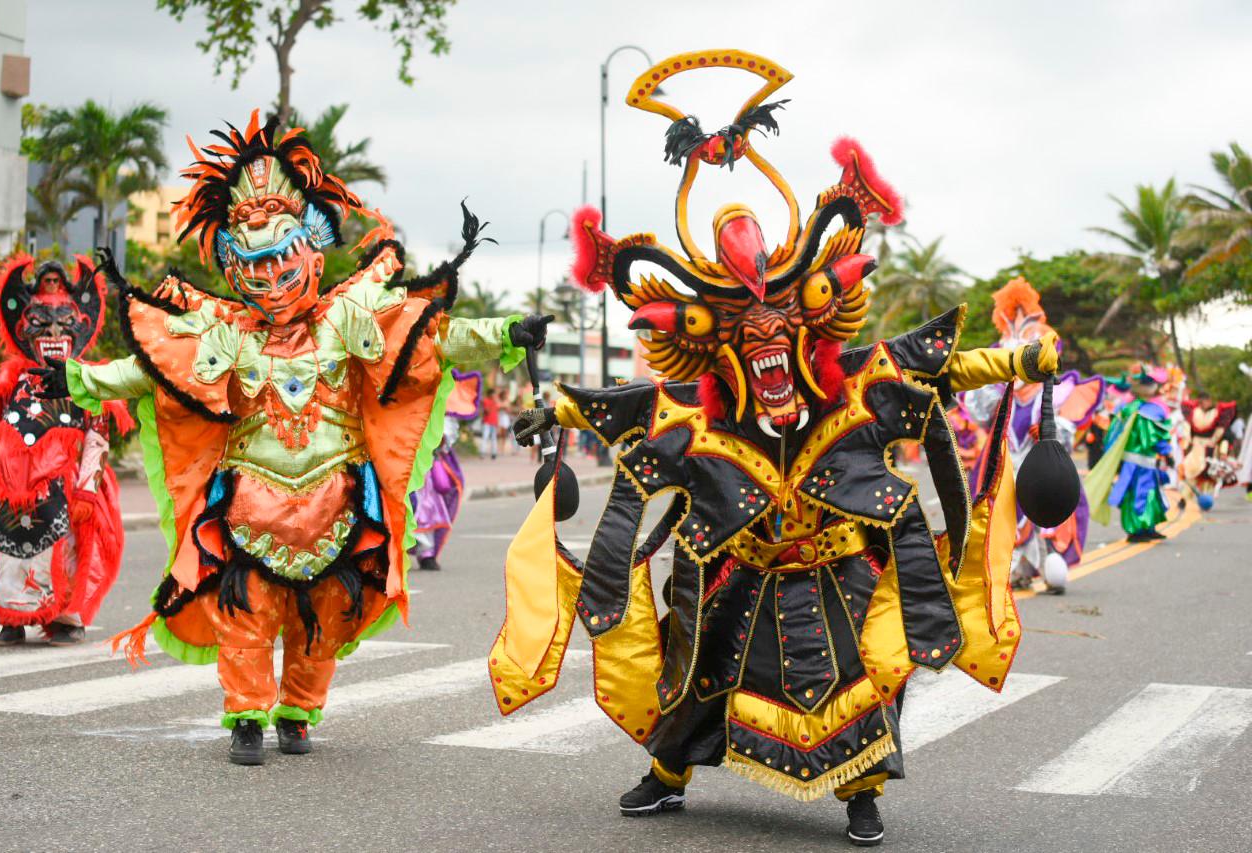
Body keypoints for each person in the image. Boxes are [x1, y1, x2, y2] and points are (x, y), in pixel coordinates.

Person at [493, 49, 1061, 848]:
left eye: (781, 327)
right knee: (698, 667)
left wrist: (1023, 359)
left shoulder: (856, 383)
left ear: (807, 326)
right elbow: (624, 406)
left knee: (862, 675)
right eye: (744, 332)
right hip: (741, 563)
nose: (765, 340)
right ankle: (668, 772)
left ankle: (862, 793)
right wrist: (551, 408)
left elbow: (942, 368)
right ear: (720, 345)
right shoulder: (701, 411)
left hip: (839, 565)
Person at [31, 111, 549, 764]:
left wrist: (505, 332)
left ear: (312, 255)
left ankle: (298, 710)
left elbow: (432, 339)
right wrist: (78, 378)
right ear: (233, 268)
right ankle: (247, 716)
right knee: (244, 611)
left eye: (281, 260)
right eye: (254, 265)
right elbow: (153, 370)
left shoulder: (349, 321)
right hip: (247, 506)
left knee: (323, 617)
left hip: (340, 506)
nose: (271, 278)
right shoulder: (224, 334)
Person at [0, 255, 132, 646]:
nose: (54, 331)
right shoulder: (11, 381)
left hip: (64, 487)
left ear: (81, 325)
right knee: (7, 551)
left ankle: (62, 617)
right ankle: (12, 617)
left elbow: (97, 439)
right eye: (42, 322)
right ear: (22, 328)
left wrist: (87, 490)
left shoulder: (87, 383)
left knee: (68, 551)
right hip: (11, 487)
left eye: (64, 321)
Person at [958, 277, 1104, 592]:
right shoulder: (1000, 394)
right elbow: (981, 415)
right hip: (1006, 463)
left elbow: (1065, 433)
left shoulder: (1053, 393)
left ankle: (1051, 567)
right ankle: (1016, 570)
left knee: (1046, 512)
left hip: (1038, 465)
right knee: (1004, 514)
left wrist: (1049, 431)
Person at [1085, 367, 1174, 541]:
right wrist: (1167, 453)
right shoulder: (1146, 412)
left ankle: (1147, 527)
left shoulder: (1128, 407)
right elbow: (1152, 437)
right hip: (1138, 462)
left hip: (1142, 462)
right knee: (1138, 494)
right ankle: (1136, 530)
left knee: (1148, 493)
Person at [409, 370, 480, 571]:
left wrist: (435, 439)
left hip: (427, 467)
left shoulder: (444, 405)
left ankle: (427, 554)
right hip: (405, 463)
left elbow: (445, 437)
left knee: (429, 508)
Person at [480, 389, 500, 459]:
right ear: (490, 394)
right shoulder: (486, 400)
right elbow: (486, 411)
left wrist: (497, 422)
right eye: (493, 394)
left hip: (494, 422)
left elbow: (497, 412)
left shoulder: (496, 402)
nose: (494, 395)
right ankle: (482, 452)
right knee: (485, 437)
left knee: (494, 438)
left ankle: (494, 453)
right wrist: (492, 404)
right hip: (487, 422)